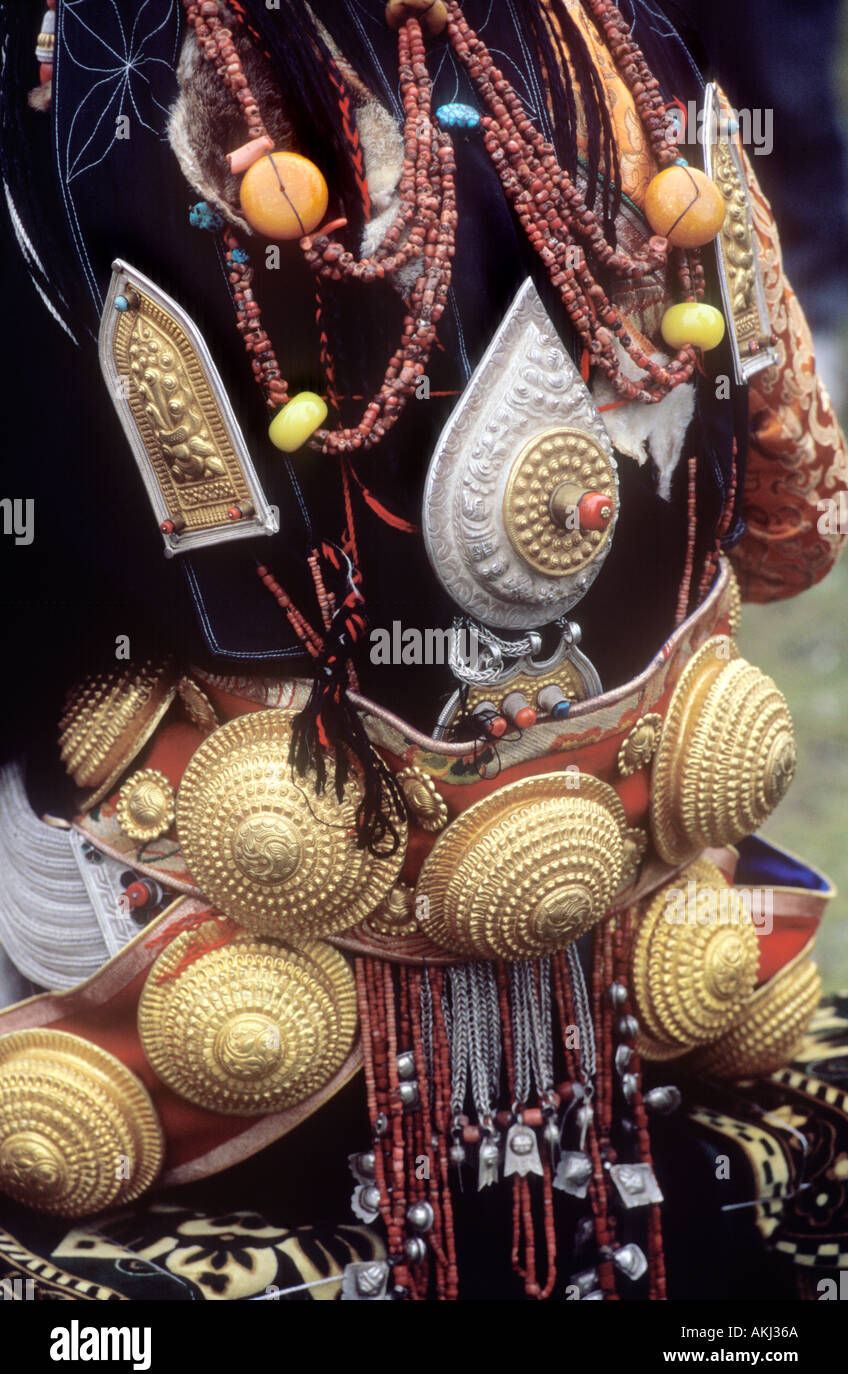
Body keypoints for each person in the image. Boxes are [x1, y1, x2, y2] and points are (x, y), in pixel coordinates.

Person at [0, 0, 844, 1303]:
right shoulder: (615, 48)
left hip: (254, 1018)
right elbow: (787, 516)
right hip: (588, 964)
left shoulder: (92, 55)